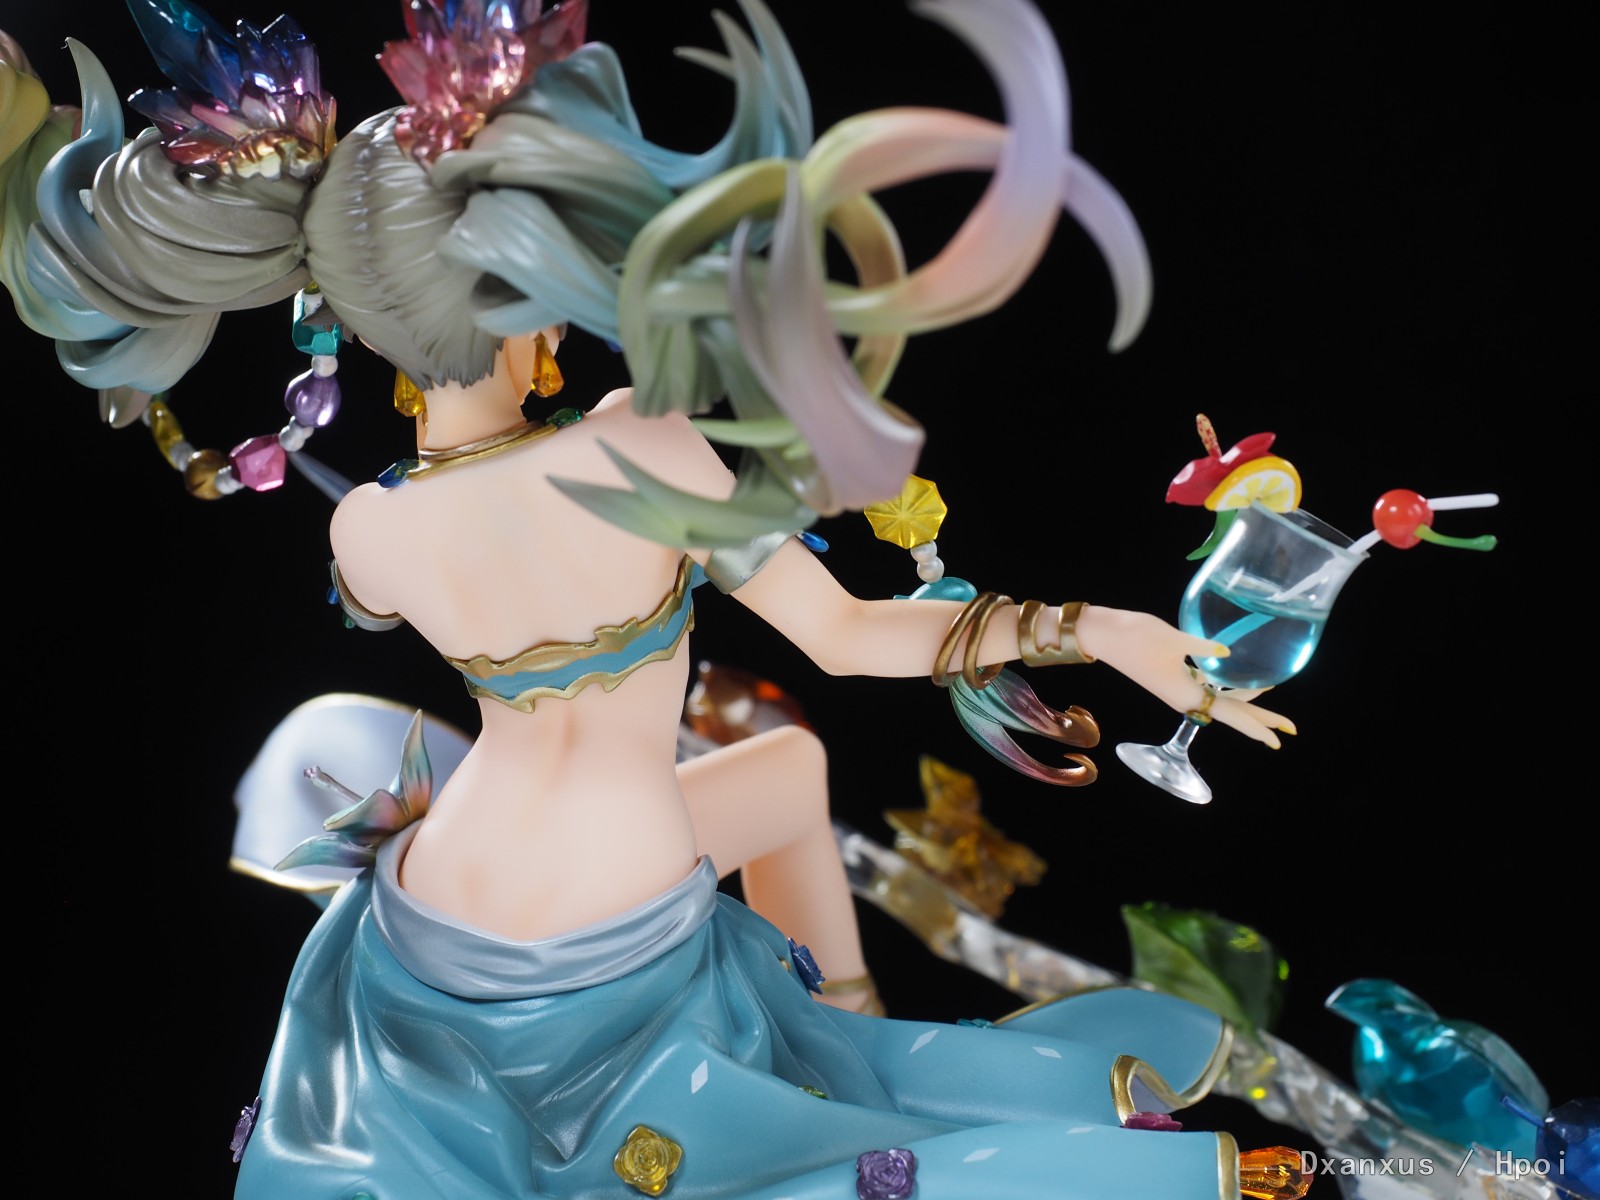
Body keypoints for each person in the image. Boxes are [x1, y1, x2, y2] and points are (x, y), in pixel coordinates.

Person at [2, 1, 1301, 1196]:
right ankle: (851, 1079)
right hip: (611, 924)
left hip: (426, 927)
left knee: (786, 772)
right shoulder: (637, 448)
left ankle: (842, 1031)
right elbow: (849, 637)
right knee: (793, 827)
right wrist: (1099, 630)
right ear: (524, 297)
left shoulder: (368, 532)